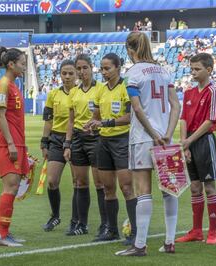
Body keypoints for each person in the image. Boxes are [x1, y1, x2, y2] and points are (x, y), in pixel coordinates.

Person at [115, 31, 181, 256]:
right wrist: (167, 133)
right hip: (166, 137)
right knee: (169, 189)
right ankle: (170, 242)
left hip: (143, 138)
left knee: (143, 190)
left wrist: (153, 133)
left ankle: (140, 244)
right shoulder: (164, 71)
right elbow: (175, 105)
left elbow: (137, 107)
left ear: (129, 50)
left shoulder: (133, 73)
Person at [84, 53, 137, 244]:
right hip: (104, 143)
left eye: (108, 68)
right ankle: (111, 230)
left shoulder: (126, 87)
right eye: (102, 68)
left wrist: (105, 123)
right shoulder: (101, 90)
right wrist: (90, 124)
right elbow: (96, 117)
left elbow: (131, 116)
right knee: (108, 188)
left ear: (118, 67)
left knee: (126, 187)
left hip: (122, 140)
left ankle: (135, 232)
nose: (104, 72)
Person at [175, 53, 216, 245]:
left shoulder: (213, 92)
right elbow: (183, 119)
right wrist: (184, 143)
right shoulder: (188, 93)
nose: (193, 72)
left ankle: (212, 232)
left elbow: (210, 122)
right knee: (195, 187)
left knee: (209, 187)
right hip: (190, 143)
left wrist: (189, 141)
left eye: (197, 69)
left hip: (204, 141)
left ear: (209, 70)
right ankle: (196, 231)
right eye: (191, 69)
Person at [63, 54, 107, 236]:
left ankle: (106, 224)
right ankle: (82, 224)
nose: (81, 72)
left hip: (96, 138)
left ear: (91, 67)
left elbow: (102, 116)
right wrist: (67, 143)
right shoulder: (74, 92)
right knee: (80, 182)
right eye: (79, 69)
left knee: (100, 183)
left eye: (84, 68)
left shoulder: (102, 89)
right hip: (79, 140)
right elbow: (71, 121)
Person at [0, 46, 28, 247]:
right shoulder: (4, 84)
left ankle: (5, 232)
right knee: (11, 187)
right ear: (11, 64)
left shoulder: (13, 85)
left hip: (17, 143)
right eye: (22, 64)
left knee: (13, 188)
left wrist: (22, 147)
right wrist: (11, 144)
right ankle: (2, 235)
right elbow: (0, 115)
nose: (24, 67)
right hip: (8, 144)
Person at [41, 60, 78, 232]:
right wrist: (44, 141)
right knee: (52, 181)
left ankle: (76, 219)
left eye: (71, 73)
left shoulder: (81, 94)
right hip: (56, 139)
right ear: (60, 74)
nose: (67, 76)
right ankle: (55, 216)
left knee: (77, 182)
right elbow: (48, 120)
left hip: (77, 139)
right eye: (64, 73)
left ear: (76, 74)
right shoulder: (53, 94)